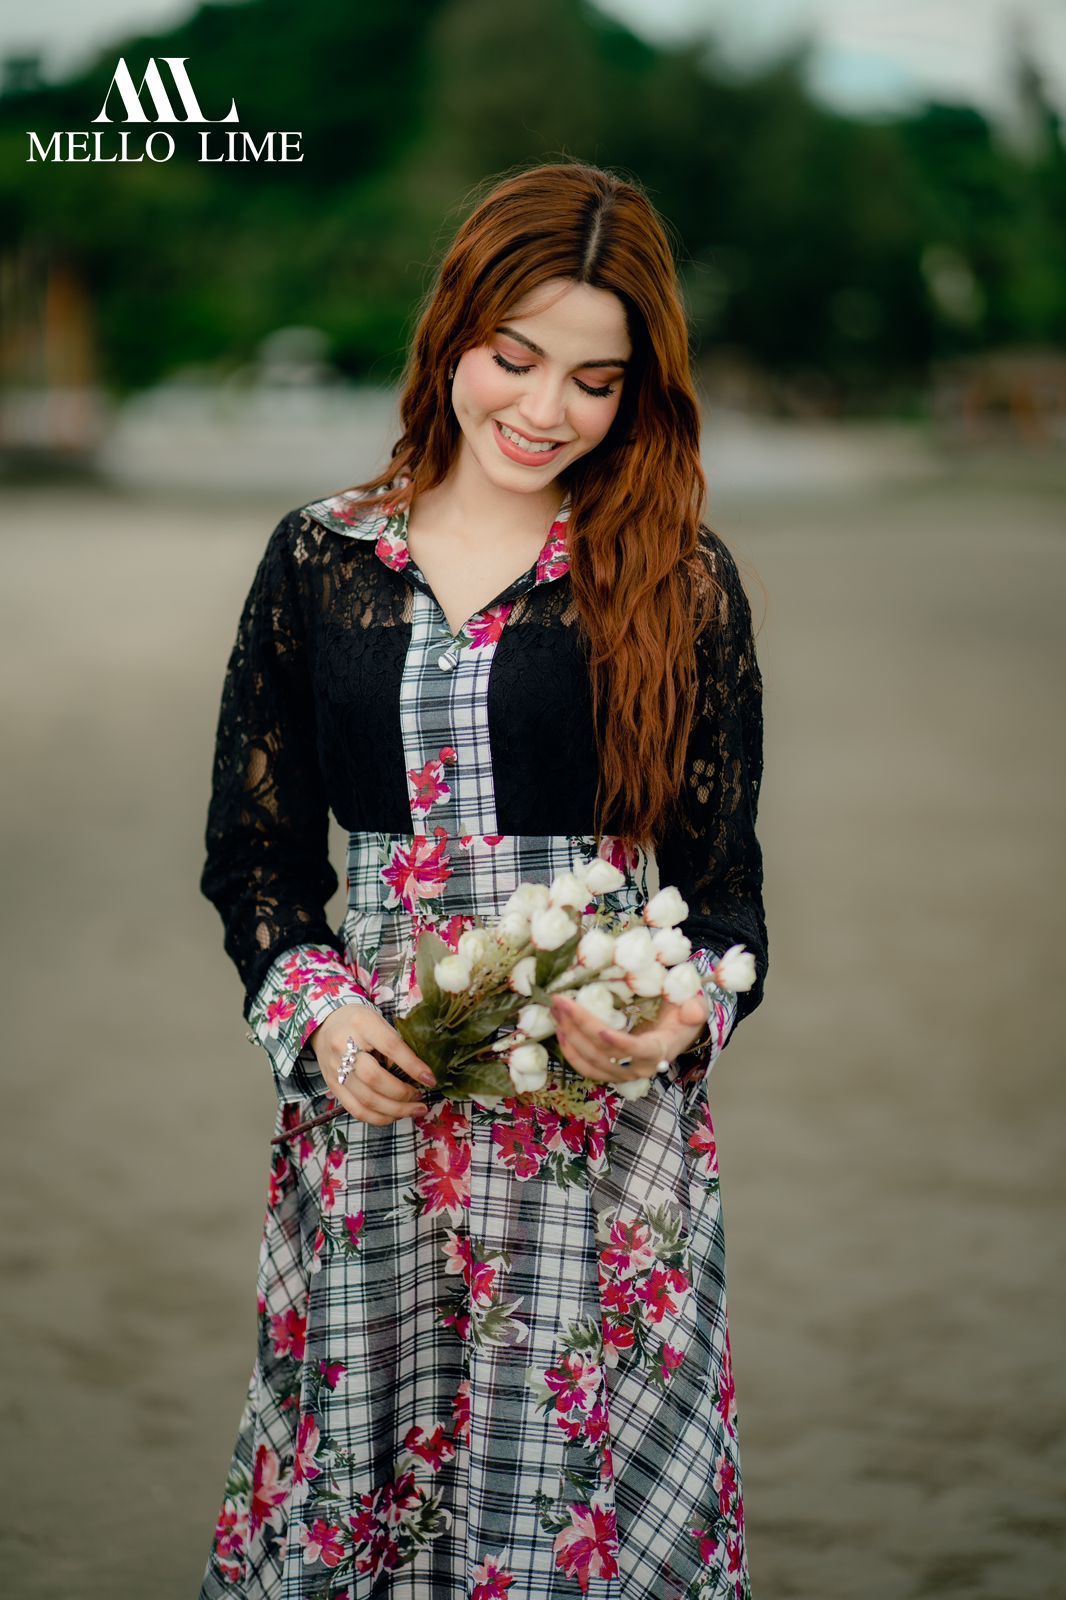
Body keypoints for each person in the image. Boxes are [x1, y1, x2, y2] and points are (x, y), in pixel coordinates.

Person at [198, 159, 767, 1600]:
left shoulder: (674, 578)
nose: (543, 409)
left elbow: (725, 894)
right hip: (376, 1123)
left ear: (637, 390)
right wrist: (322, 1019)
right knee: (363, 1499)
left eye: (593, 378)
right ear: (453, 333)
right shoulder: (322, 561)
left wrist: (676, 1017)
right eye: (513, 359)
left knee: (578, 1522)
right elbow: (255, 863)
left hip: (599, 1145)